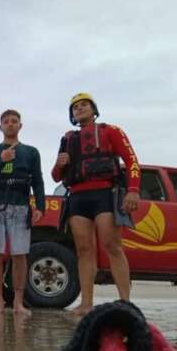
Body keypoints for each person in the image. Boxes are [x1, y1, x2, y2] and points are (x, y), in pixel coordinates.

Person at [51, 92, 140, 315]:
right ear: (72, 114)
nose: (80, 109)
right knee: (83, 249)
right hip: (78, 198)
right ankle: (86, 303)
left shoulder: (111, 131)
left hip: (105, 195)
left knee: (112, 246)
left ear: (93, 109)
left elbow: (131, 162)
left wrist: (133, 191)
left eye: (84, 105)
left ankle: (125, 302)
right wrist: (59, 164)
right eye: (75, 107)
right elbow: (55, 176)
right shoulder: (68, 138)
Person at [0, 110, 45, 316]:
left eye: (14, 121)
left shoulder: (31, 152)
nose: (10, 124)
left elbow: (38, 181)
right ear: (0, 127)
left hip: (21, 207)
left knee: (20, 255)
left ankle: (18, 302)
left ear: (20, 126)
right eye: (6, 122)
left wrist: (40, 206)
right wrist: (1, 159)